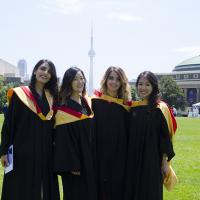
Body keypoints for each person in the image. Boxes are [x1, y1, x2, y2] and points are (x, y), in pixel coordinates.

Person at [0, 59, 59, 200]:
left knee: (43, 189)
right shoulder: (20, 94)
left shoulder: (52, 98)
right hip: (22, 151)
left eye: (49, 71)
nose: (45, 73)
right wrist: (3, 151)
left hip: (45, 152)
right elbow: (9, 123)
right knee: (20, 188)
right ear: (35, 71)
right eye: (42, 69)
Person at [125, 71, 176, 200]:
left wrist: (164, 162)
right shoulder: (133, 108)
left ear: (154, 87)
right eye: (140, 84)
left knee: (150, 191)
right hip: (133, 159)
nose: (143, 88)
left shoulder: (159, 108)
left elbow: (164, 137)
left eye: (147, 84)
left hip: (152, 159)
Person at [53, 67, 97, 200]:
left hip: (88, 159)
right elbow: (63, 141)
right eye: (75, 79)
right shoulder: (63, 108)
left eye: (82, 78)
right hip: (73, 165)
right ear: (68, 82)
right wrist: (73, 165)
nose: (80, 82)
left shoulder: (86, 103)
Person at [92, 66, 131, 200]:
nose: (114, 82)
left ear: (122, 83)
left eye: (117, 79)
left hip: (119, 158)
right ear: (105, 80)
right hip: (98, 156)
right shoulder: (94, 102)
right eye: (111, 78)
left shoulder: (126, 107)